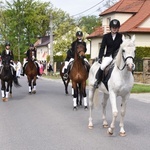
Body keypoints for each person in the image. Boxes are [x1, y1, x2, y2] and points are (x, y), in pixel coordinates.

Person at [94, 19, 123, 88]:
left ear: (118, 28)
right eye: (113, 27)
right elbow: (102, 48)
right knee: (102, 66)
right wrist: (100, 57)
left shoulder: (121, 37)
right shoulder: (106, 36)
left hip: (117, 57)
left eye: (116, 28)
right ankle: (98, 80)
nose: (114, 29)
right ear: (110, 28)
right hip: (108, 56)